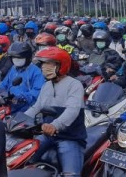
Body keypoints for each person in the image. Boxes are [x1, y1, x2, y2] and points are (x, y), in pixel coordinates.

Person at [25, 47, 86, 176]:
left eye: (49, 64)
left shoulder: (74, 85)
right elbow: (36, 107)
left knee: (71, 174)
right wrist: (20, 120)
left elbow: (72, 110)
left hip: (70, 137)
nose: (44, 67)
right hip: (46, 135)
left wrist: (55, 125)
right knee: (22, 159)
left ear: (61, 65)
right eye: (43, 64)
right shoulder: (46, 86)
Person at [0, 42, 44, 114]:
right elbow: (4, 83)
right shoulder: (13, 68)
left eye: (19, 58)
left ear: (27, 58)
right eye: (14, 58)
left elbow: (37, 92)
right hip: (8, 103)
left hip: (25, 107)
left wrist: (22, 97)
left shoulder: (36, 72)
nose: (16, 61)